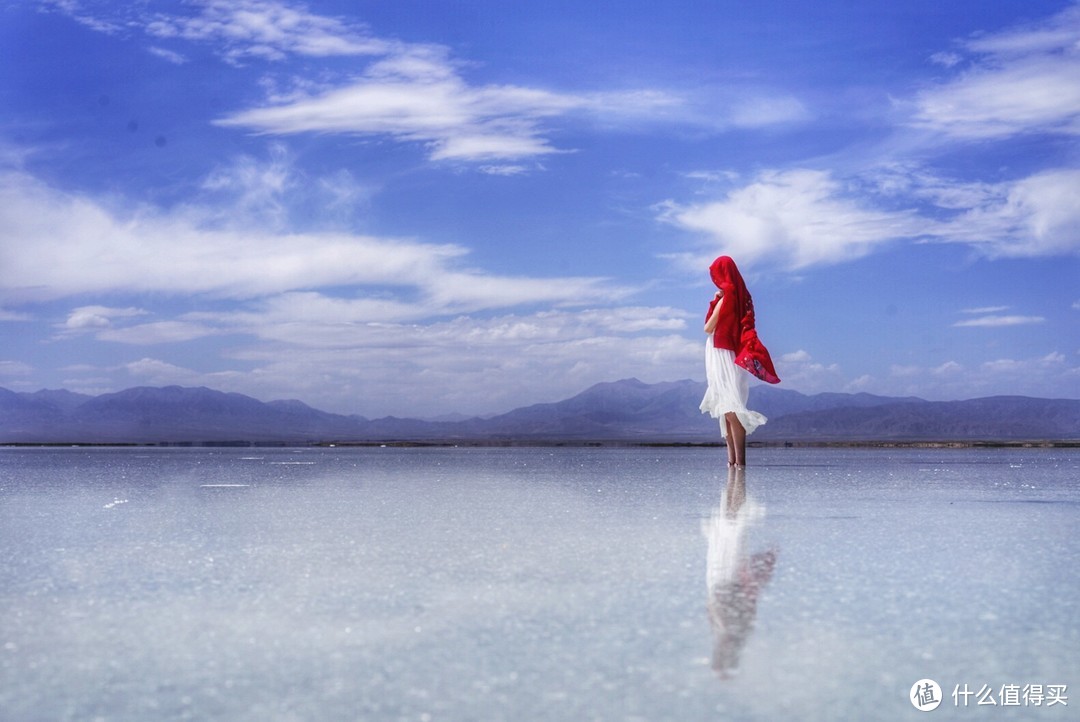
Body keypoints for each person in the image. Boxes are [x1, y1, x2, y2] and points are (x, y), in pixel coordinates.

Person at [700, 256, 779, 466]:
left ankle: (738, 462)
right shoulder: (736, 297)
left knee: (729, 406)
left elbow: (707, 328)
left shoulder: (727, 299)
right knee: (727, 407)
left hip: (720, 353)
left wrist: (717, 302)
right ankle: (734, 464)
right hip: (727, 352)